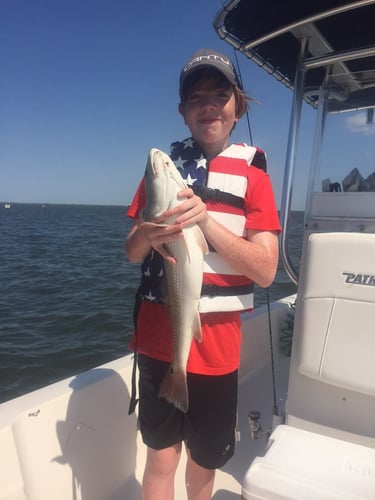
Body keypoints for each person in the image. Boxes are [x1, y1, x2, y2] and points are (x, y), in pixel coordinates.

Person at [125, 48, 281, 500]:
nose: (208, 105)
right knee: (161, 457)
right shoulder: (161, 173)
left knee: (203, 460)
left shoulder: (254, 178)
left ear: (238, 106)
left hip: (217, 346)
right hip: (158, 336)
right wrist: (147, 236)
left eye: (220, 94)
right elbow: (132, 252)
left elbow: (268, 271)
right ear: (183, 112)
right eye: (196, 98)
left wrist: (205, 221)